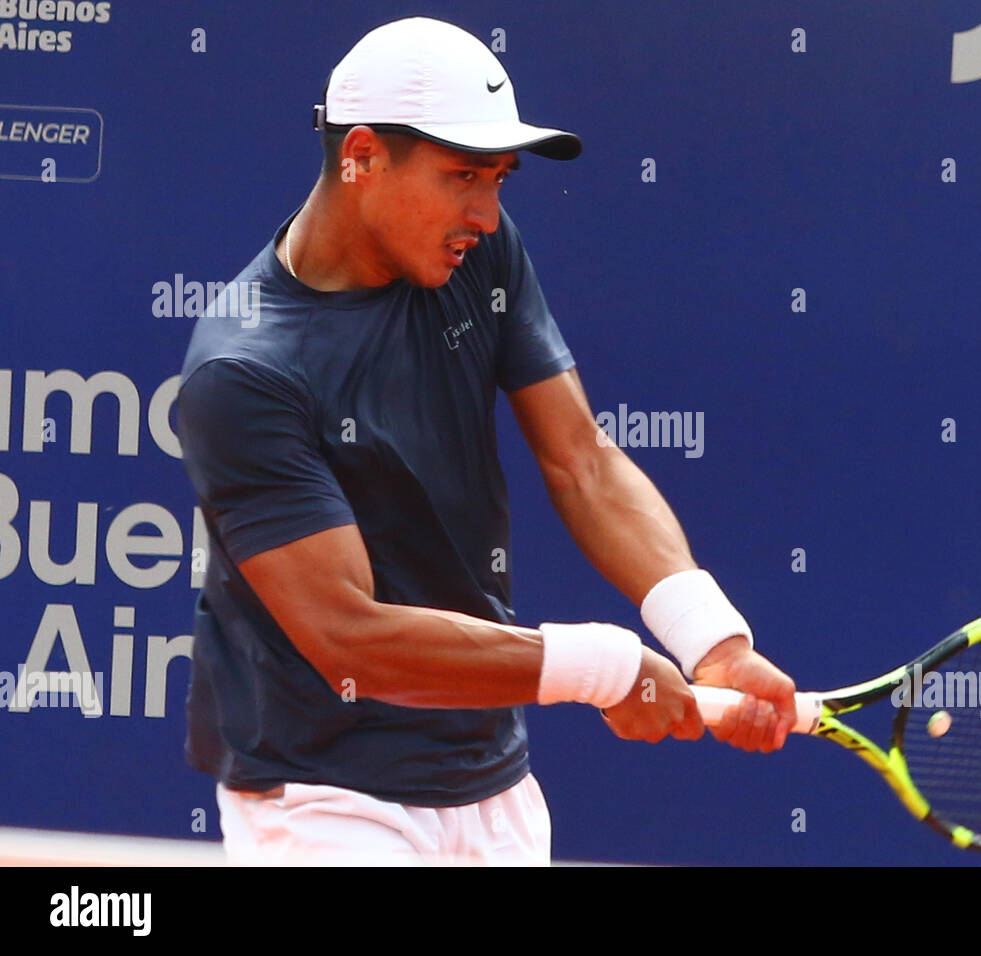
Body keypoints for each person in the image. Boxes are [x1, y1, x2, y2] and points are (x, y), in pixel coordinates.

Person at [176, 16, 796, 866]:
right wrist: (604, 668)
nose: (486, 213)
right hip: (324, 801)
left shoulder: (479, 256)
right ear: (361, 156)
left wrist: (711, 641)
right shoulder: (244, 372)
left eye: (499, 178)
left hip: (492, 787)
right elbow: (351, 639)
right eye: (463, 175)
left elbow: (582, 463)